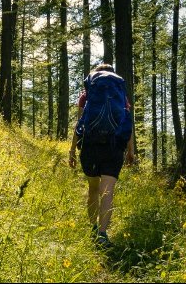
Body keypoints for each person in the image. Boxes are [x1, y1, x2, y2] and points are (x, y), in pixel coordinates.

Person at [68, 62, 137, 247]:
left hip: (90, 145)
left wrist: (72, 150)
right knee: (108, 192)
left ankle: (92, 228)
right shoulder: (121, 96)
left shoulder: (87, 95)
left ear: (95, 77)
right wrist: (131, 150)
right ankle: (103, 234)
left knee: (93, 190)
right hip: (114, 147)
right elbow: (127, 124)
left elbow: (80, 123)